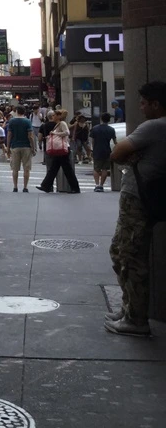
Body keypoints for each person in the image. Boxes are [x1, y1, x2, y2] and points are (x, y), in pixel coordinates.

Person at [106, 81, 166, 337]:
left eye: (143, 103)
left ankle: (136, 319)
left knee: (130, 256)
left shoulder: (155, 126)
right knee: (120, 251)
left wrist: (131, 156)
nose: (140, 108)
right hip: (142, 198)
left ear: (155, 104)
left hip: (138, 201)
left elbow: (117, 152)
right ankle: (129, 308)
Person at [38, 109, 81, 193]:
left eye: (54, 115)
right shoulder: (58, 124)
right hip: (60, 149)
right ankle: (46, 185)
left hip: (63, 149)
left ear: (58, 116)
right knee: (54, 168)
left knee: (66, 169)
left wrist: (55, 134)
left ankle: (75, 188)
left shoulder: (62, 123)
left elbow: (67, 132)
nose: (53, 117)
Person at [5, 105, 37, 192]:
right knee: (26, 168)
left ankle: (15, 187)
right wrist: (33, 147)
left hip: (15, 146)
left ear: (16, 111)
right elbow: (30, 136)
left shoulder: (12, 121)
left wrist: (8, 147)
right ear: (24, 112)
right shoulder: (27, 121)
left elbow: (9, 135)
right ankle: (25, 187)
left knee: (15, 168)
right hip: (26, 146)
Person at [89, 112, 117, 193]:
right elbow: (115, 142)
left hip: (97, 150)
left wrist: (92, 150)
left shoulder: (95, 128)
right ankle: (101, 185)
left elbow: (93, 141)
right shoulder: (111, 130)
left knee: (96, 168)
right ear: (109, 120)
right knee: (105, 169)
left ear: (101, 119)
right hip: (107, 150)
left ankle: (97, 185)